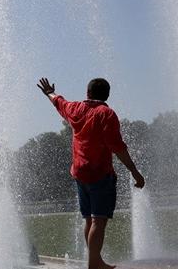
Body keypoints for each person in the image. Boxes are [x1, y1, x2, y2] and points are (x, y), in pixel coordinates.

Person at [37, 77, 145, 269]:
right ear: (107, 95)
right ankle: (95, 263)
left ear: (87, 93)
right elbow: (117, 147)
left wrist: (49, 92)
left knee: (89, 219)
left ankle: (95, 260)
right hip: (99, 174)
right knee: (99, 220)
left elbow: (58, 102)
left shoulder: (76, 108)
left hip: (79, 173)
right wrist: (135, 172)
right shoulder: (106, 114)